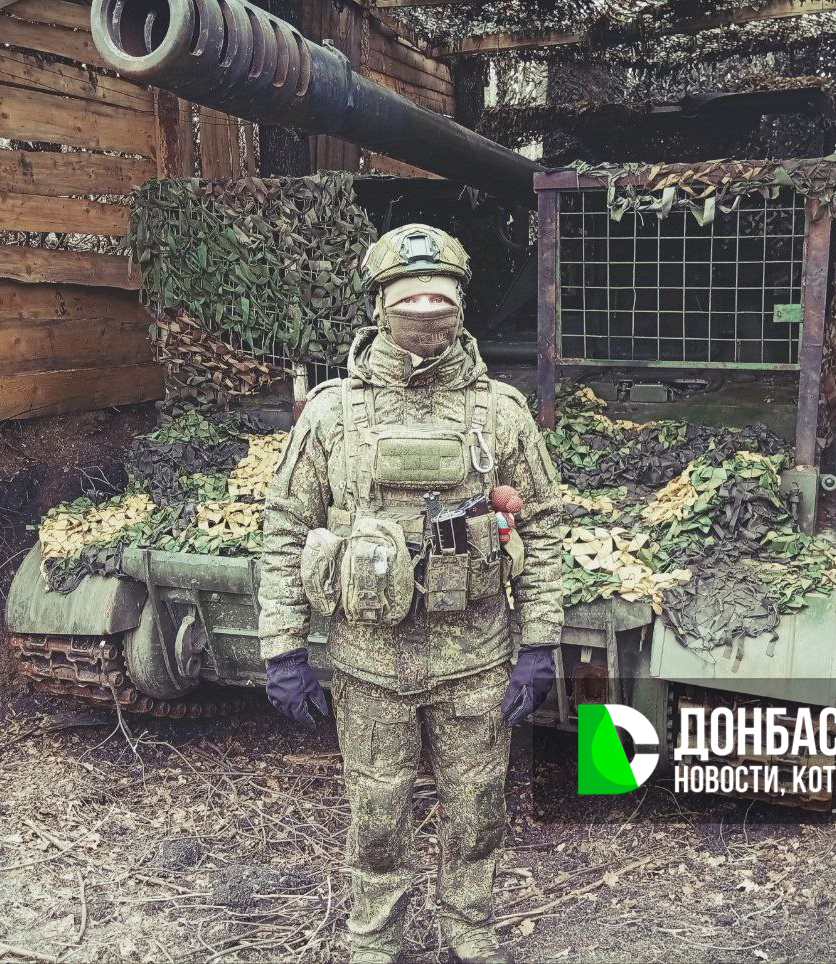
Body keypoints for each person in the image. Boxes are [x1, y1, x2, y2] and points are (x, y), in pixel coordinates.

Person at [257, 223, 563, 964]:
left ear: (461, 303)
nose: (424, 311)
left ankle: (470, 930)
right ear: (380, 305)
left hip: (476, 657)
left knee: (478, 810)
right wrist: (282, 650)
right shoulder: (330, 414)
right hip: (368, 662)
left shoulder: (502, 412)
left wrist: (541, 643)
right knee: (376, 819)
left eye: (439, 297)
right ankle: (374, 940)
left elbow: (546, 527)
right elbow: (286, 529)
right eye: (408, 297)